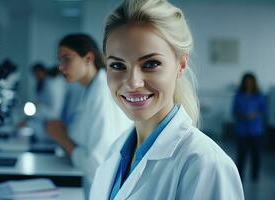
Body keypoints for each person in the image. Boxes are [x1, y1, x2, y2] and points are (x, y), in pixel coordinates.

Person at [89, 0, 244, 199]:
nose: (133, 82)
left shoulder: (206, 165)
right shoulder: (116, 151)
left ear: (181, 65)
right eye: (118, 66)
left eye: (150, 64)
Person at [45, 34, 132, 192]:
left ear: (88, 58)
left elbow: (96, 164)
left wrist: (62, 137)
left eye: (66, 59)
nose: (61, 67)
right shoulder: (91, 89)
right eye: (59, 61)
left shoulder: (102, 92)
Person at [233, 72, 267, 182]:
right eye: (247, 81)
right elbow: (234, 111)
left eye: (250, 81)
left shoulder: (259, 96)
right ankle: (239, 177)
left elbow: (264, 111)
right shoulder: (239, 95)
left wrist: (254, 114)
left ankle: (255, 176)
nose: (249, 83)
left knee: (256, 155)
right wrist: (244, 115)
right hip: (242, 130)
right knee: (241, 155)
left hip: (256, 130)